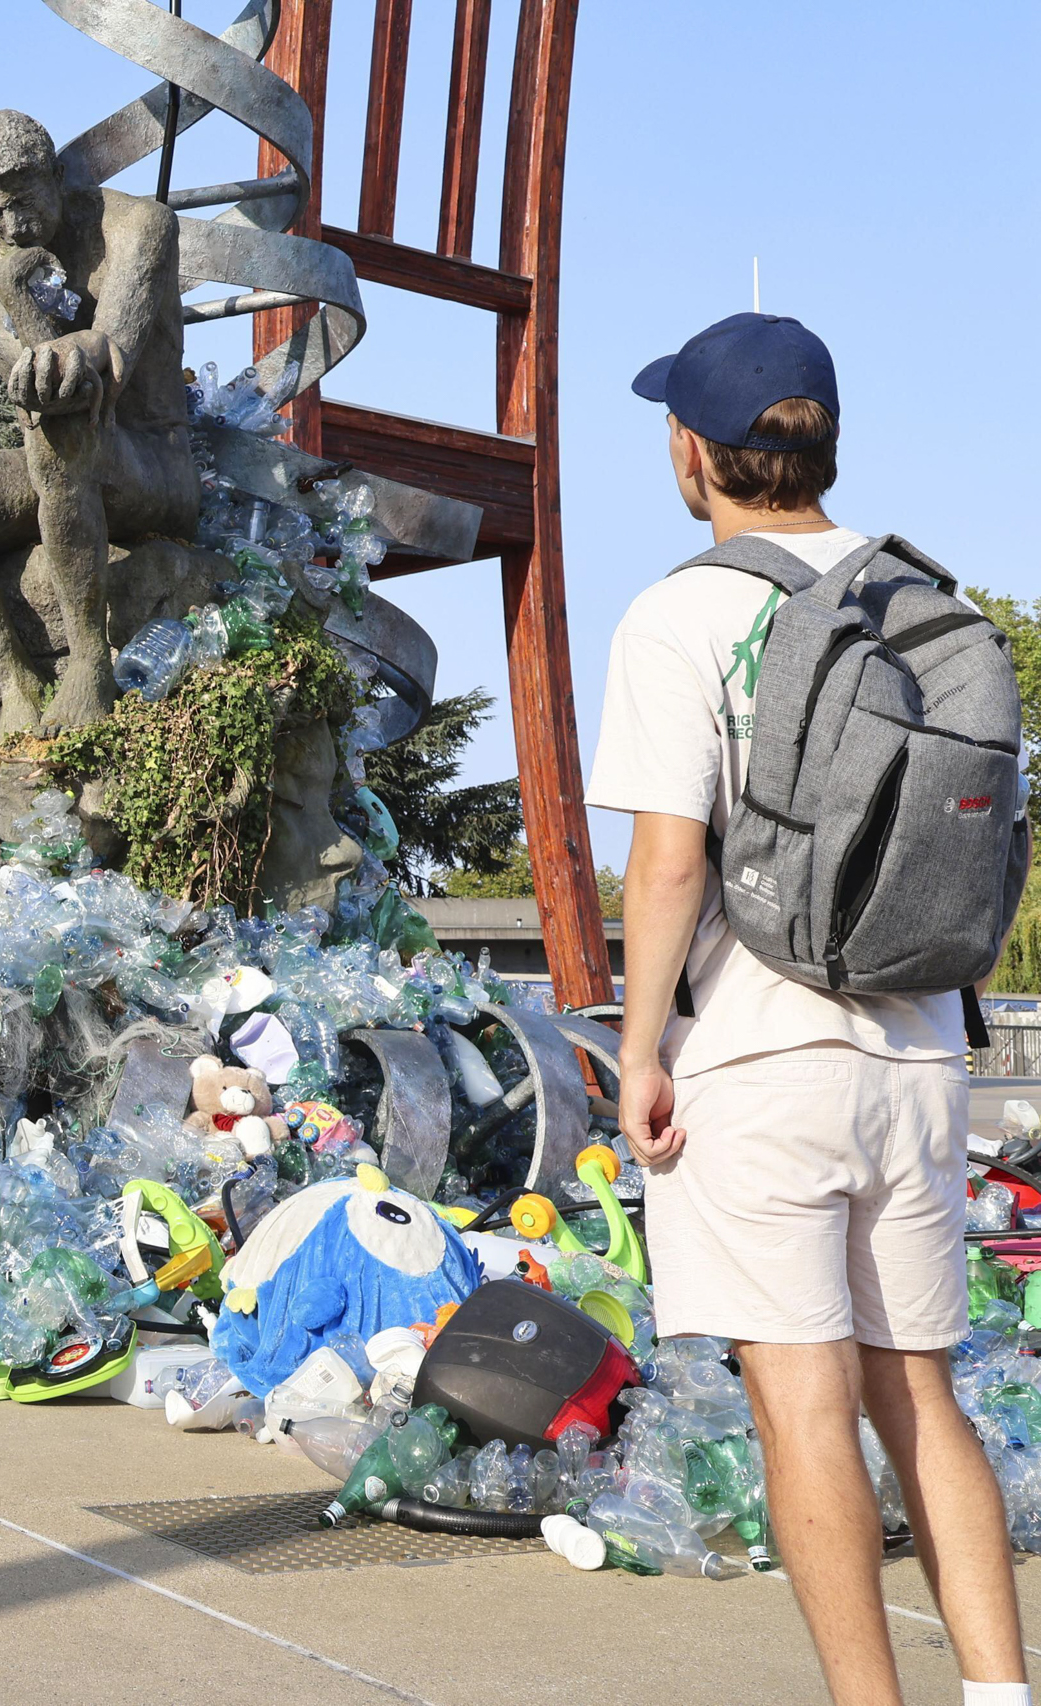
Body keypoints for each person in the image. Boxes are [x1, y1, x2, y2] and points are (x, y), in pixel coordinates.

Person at [588, 312, 1027, 1706]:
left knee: (803, 1409)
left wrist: (641, 1046)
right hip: (916, 1052)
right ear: (824, 442)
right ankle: (1004, 1694)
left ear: (694, 453)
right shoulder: (920, 599)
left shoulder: (681, 612)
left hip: (762, 1057)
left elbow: (669, 862)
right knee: (922, 1397)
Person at [0, 109, 201, 735]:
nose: (11, 226)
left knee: (65, 432)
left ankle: (88, 663)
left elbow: (108, 366)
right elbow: (29, 379)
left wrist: (56, 339)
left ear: (58, 176)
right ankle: (16, 678)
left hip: (153, 463)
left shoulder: (138, 227)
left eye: (23, 203)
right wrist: (12, 293)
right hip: (59, 458)